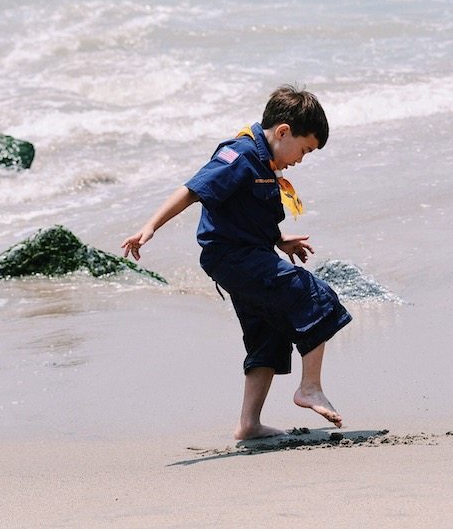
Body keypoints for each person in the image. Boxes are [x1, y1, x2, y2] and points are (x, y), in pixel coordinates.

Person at [121, 85, 352, 440]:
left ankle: (248, 425)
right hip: (232, 257)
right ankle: (310, 387)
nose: (301, 159)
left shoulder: (263, 162)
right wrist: (150, 226)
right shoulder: (239, 155)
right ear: (283, 132)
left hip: (246, 255)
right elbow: (192, 190)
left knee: (268, 332)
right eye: (304, 150)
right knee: (311, 294)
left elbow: (246, 212)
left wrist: (279, 240)